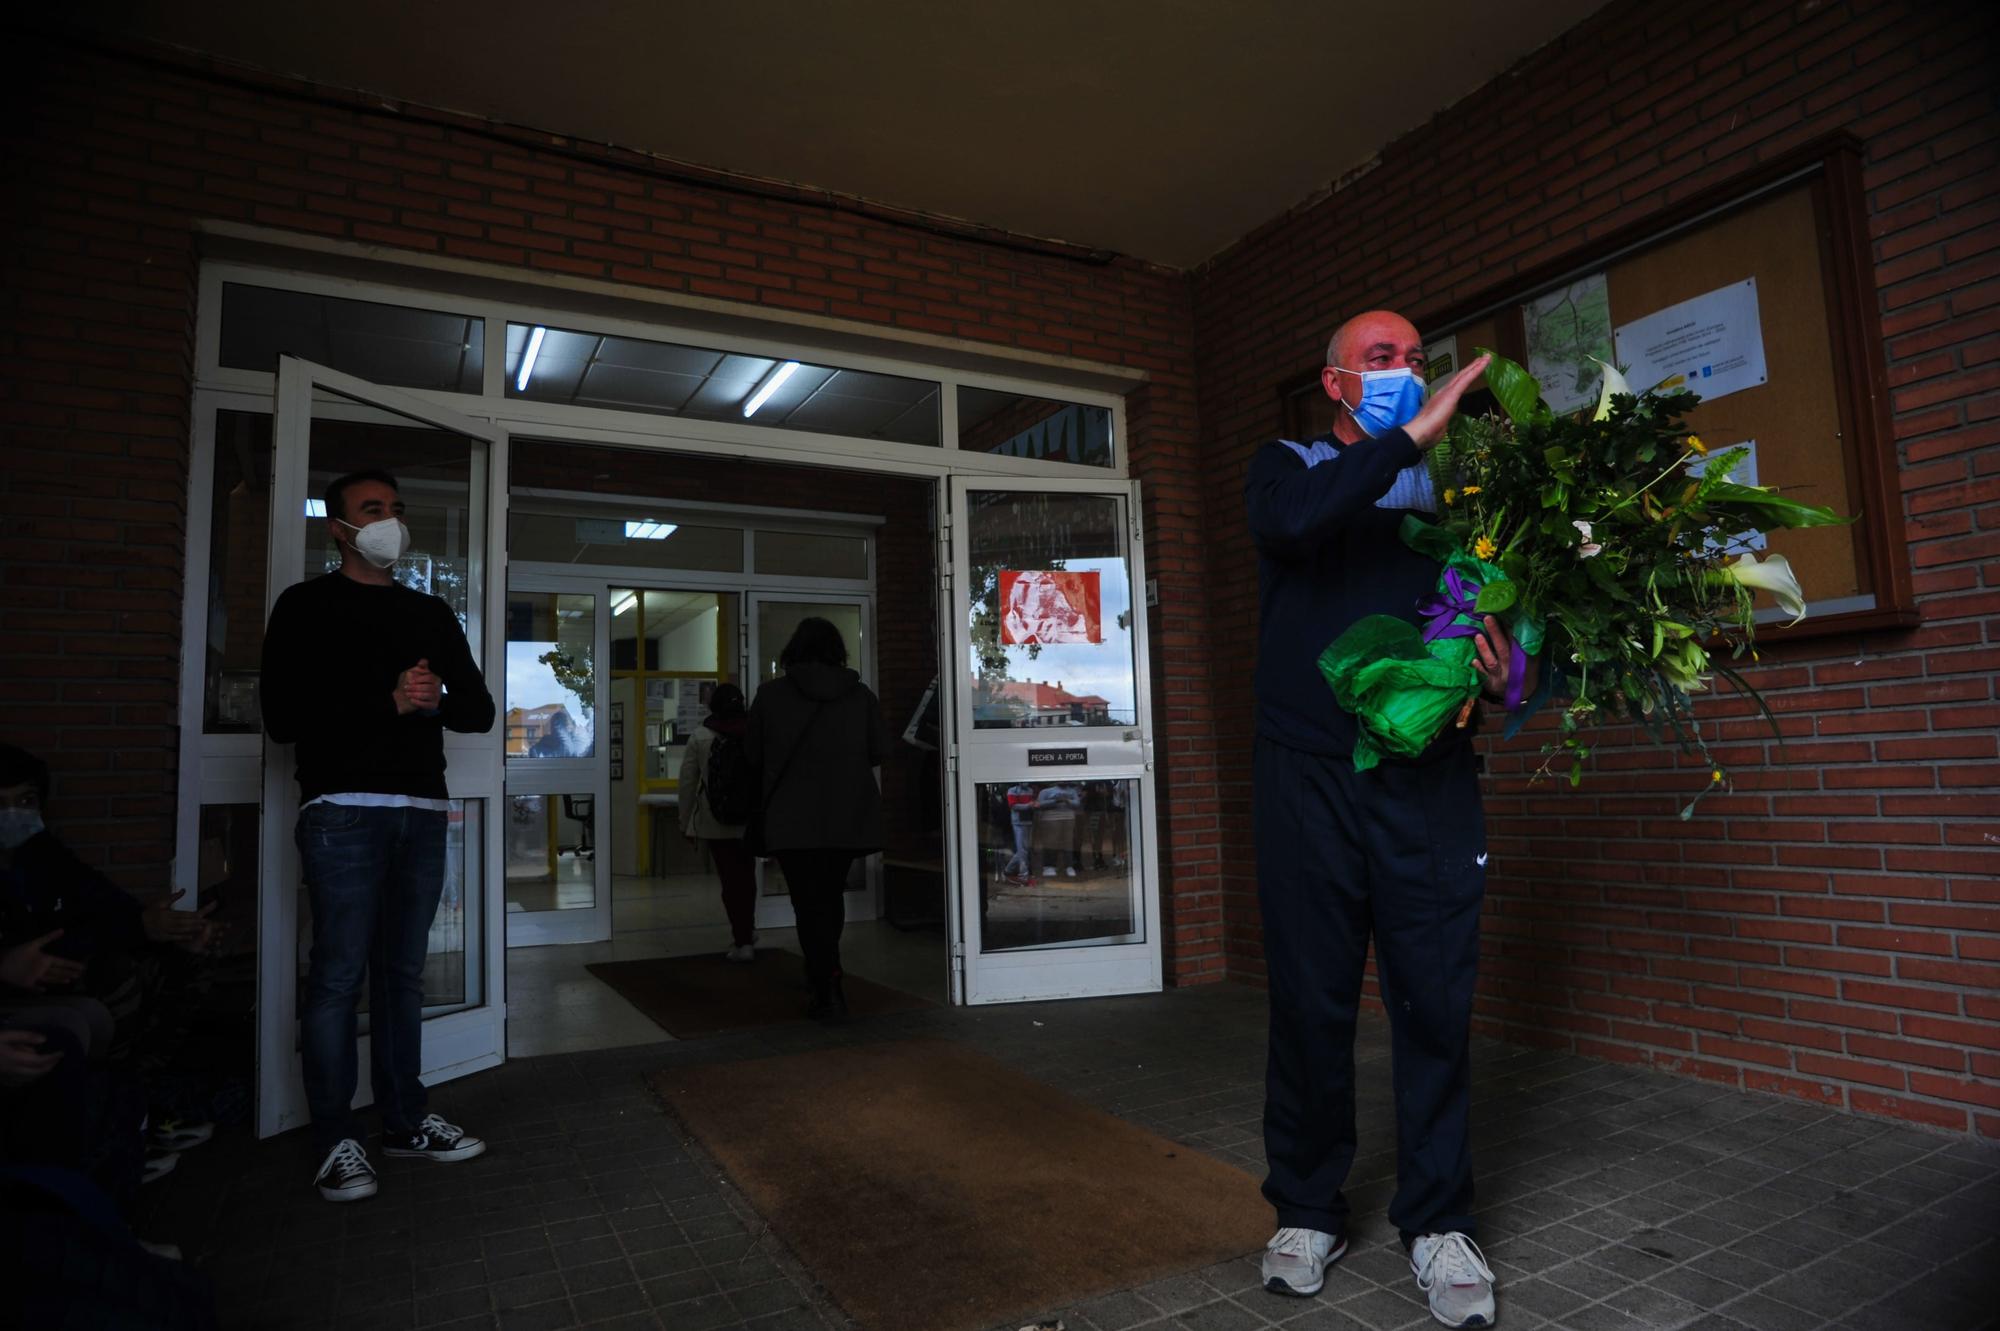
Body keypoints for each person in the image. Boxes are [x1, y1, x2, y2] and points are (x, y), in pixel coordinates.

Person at [1246, 310, 1531, 1328]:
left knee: (1432, 1000)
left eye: (1415, 360)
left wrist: (1511, 674)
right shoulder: (1286, 466)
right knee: (1312, 1000)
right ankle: (1305, 1206)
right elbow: (1293, 525)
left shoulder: (1464, 501)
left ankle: (1437, 1218)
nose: (1407, 374)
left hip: (1428, 782)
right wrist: (1412, 434)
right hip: (1305, 780)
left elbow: (1513, 626)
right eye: (1381, 360)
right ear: (1334, 383)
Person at [261, 469, 496, 1203]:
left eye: (397, 507)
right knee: (338, 976)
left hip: (421, 810)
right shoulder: (305, 607)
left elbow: (480, 711)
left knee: (402, 974)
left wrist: (436, 701)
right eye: (372, 509)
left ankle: (405, 1120)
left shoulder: (430, 612)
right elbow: (284, 718)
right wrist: (387, 700)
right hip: (342, 810)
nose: (389, 519)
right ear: (339, 528)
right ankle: (336, 1139)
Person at [745, 617, 883, 1020]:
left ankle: (825, 981)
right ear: (837, 651)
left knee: (807, 903)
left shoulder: (770, 696)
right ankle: (827, 974)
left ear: (794, 650)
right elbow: (878, 751)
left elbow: (752, 756)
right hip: (846, 814)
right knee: (830, 897)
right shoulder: (860, 696)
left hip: (791, 817)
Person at [678, 682, 757, 962]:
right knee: (746, 878)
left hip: (715, 821)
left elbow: (687, 783)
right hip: (750, 820)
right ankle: (748, 930)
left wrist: (685, 822)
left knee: (730, 881)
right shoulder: (756, 733)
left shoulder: (700, 736)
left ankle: (743, 940)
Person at [1034, 781, 1083, 877]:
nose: (1063, 780)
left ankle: (1069, 866)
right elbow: (1038, 804)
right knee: (1051, 842)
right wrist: (1055, 801)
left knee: (1068, 842)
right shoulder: (1046, 791)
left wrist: (1067, 800)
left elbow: (1077, 803)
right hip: (1050, 819)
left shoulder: (1072, 791)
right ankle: (1049, 866)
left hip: (1069, 818)